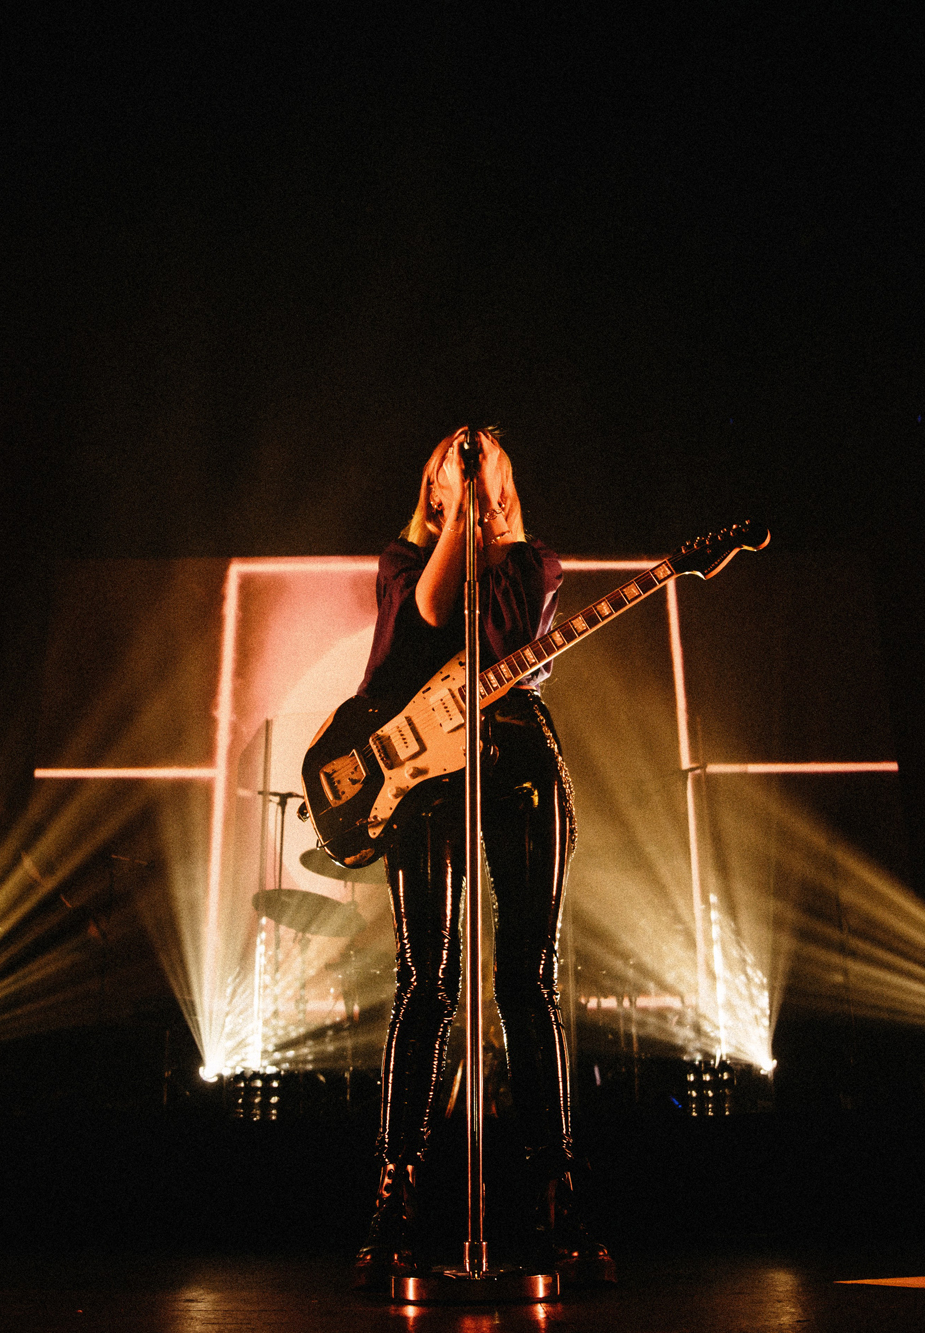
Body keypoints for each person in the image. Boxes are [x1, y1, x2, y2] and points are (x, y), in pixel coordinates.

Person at [352, 426, 614, 1288]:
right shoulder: (401, 562)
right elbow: (431, 613)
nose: (470, 458)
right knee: (425, 979)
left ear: (507, 482)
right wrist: (462, 515)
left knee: (526, 980)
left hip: (519, 757)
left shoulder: (535, 565)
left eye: (487, 454)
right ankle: (396, 1199)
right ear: (432, 485)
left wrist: (486, 523)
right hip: (425, 778)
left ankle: (557, 1203)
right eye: (453, 456)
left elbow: (503, 636)